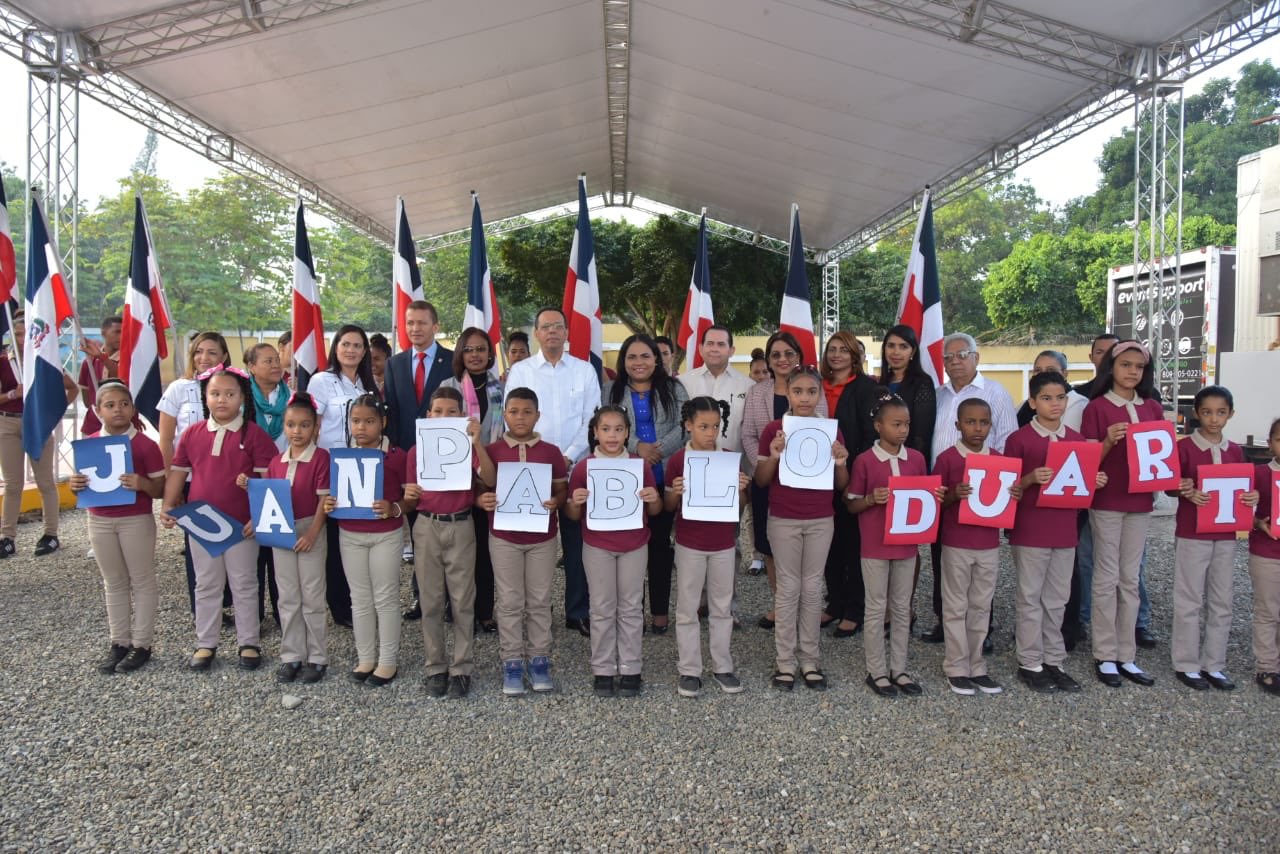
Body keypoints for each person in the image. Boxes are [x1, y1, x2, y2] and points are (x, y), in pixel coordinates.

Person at [161, 366, 276, 672]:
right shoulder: (192, 434)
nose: (222, 400)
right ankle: (205, 643)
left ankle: (249, 641)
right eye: (215, 393)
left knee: (244, 583)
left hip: (242, 526)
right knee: (206, 583)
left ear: (242, 397)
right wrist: (168, 504)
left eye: (229, 394)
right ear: (205, 397)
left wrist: (260, 517)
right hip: (202, 524)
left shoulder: (255, 435)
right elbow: (179, 471)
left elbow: (268, 479)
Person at [504, 307, 601, 637]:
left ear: (566, 333)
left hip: (575, 465)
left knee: (577, 544)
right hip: (530, 466)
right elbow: (514, 417)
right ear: (537, 333)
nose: (552, 333)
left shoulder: (585, 370)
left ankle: (578, 611)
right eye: (546, 327)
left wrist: (568, 457)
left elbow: (592, 418)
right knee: (533, 543)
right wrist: (544, 457)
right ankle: (536, 611)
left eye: (558, 327)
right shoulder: (521, 371)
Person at [1005, 372, 1101, 694]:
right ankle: (1030, 661)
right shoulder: (1018, 440)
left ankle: (1054, 660)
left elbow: (1079, 489)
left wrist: (1093, 482)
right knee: (1030, 597)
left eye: (1060, 397)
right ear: (1032, 402)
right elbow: (1005, 490)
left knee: (1058, 599)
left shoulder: (1076, 439)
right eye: (1046, 398)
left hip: (1064, 530)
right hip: (1030, 529)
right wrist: (1030, 478)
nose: (1055, 403)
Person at [755, 367, 848, 692]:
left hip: (821, 518)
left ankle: (810, 659)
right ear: (788, 394)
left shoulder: (831, 432)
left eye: (811, 391)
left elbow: (842, 485)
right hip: (783, 518)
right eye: (798, 391)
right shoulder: (774, 430)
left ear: (819, 394)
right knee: (788, 588)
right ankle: (784, 662)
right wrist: (775, 456)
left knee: (811, 588)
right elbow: (762, 480)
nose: (805, 398)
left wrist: (841, 462)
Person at [923, 332, 1018, 644]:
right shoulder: (938, 395)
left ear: (976, 357)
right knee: (944, 559)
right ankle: (945, 622)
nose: (954, 362)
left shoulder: (996, 393)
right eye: (948, 357)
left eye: (961, 355)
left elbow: (1007, 441)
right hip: (945, 488)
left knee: (980, 564)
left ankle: (981, 631)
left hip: (983, 491)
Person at [403, 387, 496, 700]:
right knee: (430, 600)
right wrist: (409, 496)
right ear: (428, 415)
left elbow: (491, 479)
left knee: (462, 599)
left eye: (451, 411)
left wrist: (476, 442)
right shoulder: (417, 451)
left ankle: (462, 667)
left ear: (462, 415)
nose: (443, 417)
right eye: (437, 411)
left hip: (461, 525)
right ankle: (435, 666)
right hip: (427, 525)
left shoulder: (467, 447)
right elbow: (410, 497)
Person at [1066, 332, 1157, 651]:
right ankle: (1104, 651)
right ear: (1111, 368)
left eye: (1139, 366)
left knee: (1130, 577)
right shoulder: (1097, 408)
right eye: (1125, 365)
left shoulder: (1152, 409)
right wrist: (1107, 442)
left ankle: (1126, 650)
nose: (1132, 372)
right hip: (1107, 501)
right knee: (1106, 574)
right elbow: (1087, 463)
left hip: (1141, 502)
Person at [69, 380, 165, 674]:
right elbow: (83, 483)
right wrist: (75, 485)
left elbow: (160, 488)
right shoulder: (89, 445)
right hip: (98, 519)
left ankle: (142, 643)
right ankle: (119, 642)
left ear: (133, 408)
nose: (118, 410)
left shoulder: (146, 444)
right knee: (113, 582)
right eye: (110, 406)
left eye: (124, 404)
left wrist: (143, 484)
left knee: (142, 580)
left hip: (135, 519)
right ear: (98, 411)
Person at [477, 387, 568, 695]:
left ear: (537, 415)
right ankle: (512, 661)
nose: (520, 417)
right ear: (505, 415)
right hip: (504, 537)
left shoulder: (551, 452)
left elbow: (561, 489)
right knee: (510, 600)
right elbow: (485, 485)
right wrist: (483, 500)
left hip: (542, 536)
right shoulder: (493, 450)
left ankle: (540, 658)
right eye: (513, 411)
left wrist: (556, 501)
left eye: (527, 412)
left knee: (540, 600)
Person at [566, 405, 661, 697]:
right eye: (605, 429)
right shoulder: (584, 467)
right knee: (602, 607)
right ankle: (603, 668)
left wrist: (654, 497)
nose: (612, 435)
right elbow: (571, 515)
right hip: (597, 546)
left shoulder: (639, 465)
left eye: (618, 429)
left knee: (631, 607)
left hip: (634, 544)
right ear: (595, 432)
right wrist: (575, 502)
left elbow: (655, 509)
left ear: (627, 433)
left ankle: (631, 667)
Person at [846, 395, 934, 697]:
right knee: (875, 607)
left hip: (906, 546)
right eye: (896, 424)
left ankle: (899, 668)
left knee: (901, 607)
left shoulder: (917, 459)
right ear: (878, 425)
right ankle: (877, 670)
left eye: (907, 424)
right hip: (874, 546)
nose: (903, 430)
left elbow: (925, 499)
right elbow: (852, 503)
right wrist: (871, 499)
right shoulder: (865, 461)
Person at [320, 394, 409, 687]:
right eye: (355, 421)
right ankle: (366, 657)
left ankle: (388, 661)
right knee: (359, 598)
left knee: (384, 597)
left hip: (386, 535)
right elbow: (335, 494)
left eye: (369, 421)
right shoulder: (342, 457)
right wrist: (331, 503)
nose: (361, 427)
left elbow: (409, 500)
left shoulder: (396, 455)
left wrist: (393, 507)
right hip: (350, 533)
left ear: (382, 422)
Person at [1170, 386, 1255, 691]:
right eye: (1207, 412)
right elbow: (1171, 484)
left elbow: (1244, 490)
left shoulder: (1235, 451)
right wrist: (1185, 489)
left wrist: (1251, 497)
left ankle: (1214, 663)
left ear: (1230, 414)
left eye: (1221, 412)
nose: (1214, 419)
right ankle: (1186, 662)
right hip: (1193, 533)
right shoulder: (1185, 448)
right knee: (1189, 598)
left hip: (1227, 534)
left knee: (1222, 600)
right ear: (1196, 413)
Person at [741, 332, 828, 627]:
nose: (782, 359)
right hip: (767, 477)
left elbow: (822, 432)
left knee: (803, 545)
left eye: (788, 353)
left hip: (806, 482)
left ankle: (805, 603)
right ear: (768, 359)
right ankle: (782, 604)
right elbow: (749, 435)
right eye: (776, 354)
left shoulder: (815, 390)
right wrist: (767, 462)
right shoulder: (757, 392)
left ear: (798, 357)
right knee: (768, 544)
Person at [603, 334, 689, 634]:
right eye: (631, 357)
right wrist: (637, 446)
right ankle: (632, 611)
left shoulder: (674, 388)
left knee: (660, 548)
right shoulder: (610, 390)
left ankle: (660, 612)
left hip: (664, 478)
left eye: (645, 356)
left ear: (656, 359)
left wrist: (658, 450)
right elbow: (601, 426)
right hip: (625, 479)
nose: (638, 363)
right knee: (631, 550)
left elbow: (685, 424)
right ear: (623, 362)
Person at [665, 396, 750, 697]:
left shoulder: (728, 457)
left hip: (724, 543)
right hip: (689, 543)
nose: (710, 433)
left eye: (716, 426)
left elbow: (738, 507)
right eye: (703, 426)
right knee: (687, 606)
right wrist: (675, 493)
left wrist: (741, 491)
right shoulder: (678, 460)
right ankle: (689, 669)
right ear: (688, 426)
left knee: (722, 606)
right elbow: (667, 505)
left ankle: (722, 666)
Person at [254, 392, 331, 685]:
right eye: (291, 425)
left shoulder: (321, 459)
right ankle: (291, 655)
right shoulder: (276, 462)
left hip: (309, 529)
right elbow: (270, 499)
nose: (296, 432)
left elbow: (323, 502)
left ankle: (317, 657)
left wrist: (313, 533)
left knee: (312, 595)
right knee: (287, 596)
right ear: (284, 427)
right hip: (282, 532)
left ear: (315, 428)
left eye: (304, 425)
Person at [932, 398, 1005, 696]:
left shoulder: (999, 458)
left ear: (991, 425)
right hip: (957, 542)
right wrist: (953, 495)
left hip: (988, 543)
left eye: (984, 422)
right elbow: (937, 502)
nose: (978, 428)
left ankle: (977, 664)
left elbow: (1005, 501)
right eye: (971, 422)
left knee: (981, 605)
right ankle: (956, 665)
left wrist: (1013, 492)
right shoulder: (948, 458)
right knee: (955, 605)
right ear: (957, 425)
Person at [307, 325, 376, 628]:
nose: (351, 350)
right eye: (345, 344)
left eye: (357, 345)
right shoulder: (321, 381)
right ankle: (339, 605)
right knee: (335, 539)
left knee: (357, 534)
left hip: (361, 467)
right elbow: (313, 425)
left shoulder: (368, 386)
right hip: (331, 466)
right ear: (335, 348)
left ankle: (360, 600)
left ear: (365, 352)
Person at [439, 327, 506, 634]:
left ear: (490, 354)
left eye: (481, 349)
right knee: (458, 551)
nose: (476, 355)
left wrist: (486, 467)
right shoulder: (448, 386)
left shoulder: (503, 387)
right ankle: (458, 608)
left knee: (485, 550)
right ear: (460, 354)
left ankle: (485, 611)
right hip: (457, 476)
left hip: (493, 473)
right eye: (469, 350)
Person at [0, 313, 77, 558]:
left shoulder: (45, 361)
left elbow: (72, 387)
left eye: (25, 334)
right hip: (7, 423)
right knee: (13, 484)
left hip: (37, 424)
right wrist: (13, 394)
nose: (21, 339)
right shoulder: (4, 361)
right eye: (17, 334)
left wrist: (53, 414)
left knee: (45, 481)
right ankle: (7, 536)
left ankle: (51, 534)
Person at [827, 331, 880, 638]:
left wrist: (851, 471)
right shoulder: (819, 386)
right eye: (832, 349)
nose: (836, 355)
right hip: (818, 480)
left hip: (851, 476)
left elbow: (868, 434)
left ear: (854, 355)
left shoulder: (865, 388)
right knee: (830, 547)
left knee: (852, 546)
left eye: (843, 350)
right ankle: (833, 602)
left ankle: (853, 609)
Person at [384, 300, 454, 450]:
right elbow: (392, 410)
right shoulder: (393, 364)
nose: (415, 329)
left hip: (443, 446)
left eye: (422, 323)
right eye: (410, 323)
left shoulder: (453, 361)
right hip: (404, 448)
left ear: (435, 327)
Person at [677, 325, 753, 456]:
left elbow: (751, 432)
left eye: (721, 344)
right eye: (710, 343)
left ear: (731, 350)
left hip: (733, 466)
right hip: (691, 465)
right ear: (701, 348)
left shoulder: (748, 386)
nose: (714, 349)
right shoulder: (682, 383)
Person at [1249, 417, 1280, 696]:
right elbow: (1241, 509)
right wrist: (1258, 523)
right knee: (1268, 610)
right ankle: (1267, 666)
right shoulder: (1259, 474)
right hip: (1267, 553)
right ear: (1270, 443)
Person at [1016, 350, 1088, 430]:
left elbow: (1067, 439)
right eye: (1038, 370)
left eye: (1051, 370)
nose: (1043, 374)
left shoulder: (1078, 403)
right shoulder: (1024, 405)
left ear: (1065, 374)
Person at [77, 316, 122, 436]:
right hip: (93, 424)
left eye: (124, 332)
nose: (121, 336)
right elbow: (87, 399)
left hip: (120, 425)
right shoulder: (89, 362)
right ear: (103, 333)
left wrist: (101, 357)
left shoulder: (128, 359)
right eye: (117, 332)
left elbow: (121, 375)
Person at [369, 333, 392, 399]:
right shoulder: (362, 383)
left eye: (376, 359)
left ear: (388, 359)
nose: (371, 362)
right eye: (369, 358)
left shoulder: (396, 384)